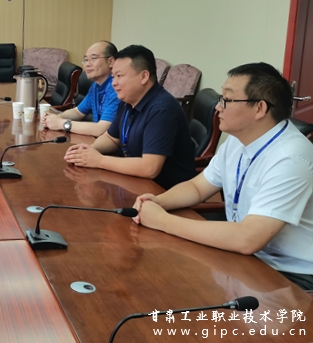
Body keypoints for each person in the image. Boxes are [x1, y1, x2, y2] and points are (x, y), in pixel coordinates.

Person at [133, 62, 313, 290]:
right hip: (246, 256)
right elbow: (198, 188)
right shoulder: (238, 140)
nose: (218, 107)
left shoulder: (291, 157)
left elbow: (248, 238)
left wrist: (162, 221)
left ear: (259, 108)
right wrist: (157, 202)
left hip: (291, 274)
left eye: (227, 100)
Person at [64, 45, 195, 189]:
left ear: (144, 76)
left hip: (162, 192)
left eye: (119, 76)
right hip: (132, 182)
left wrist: (99, 160)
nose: (114, 83)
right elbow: (111, 139)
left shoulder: (162, 110)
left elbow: (149, 168)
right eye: (113, 77)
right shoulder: (128, 101)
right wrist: (89, 151)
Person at [42, 41, 119, 137]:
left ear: (111, 61)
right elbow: (78, 112)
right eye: (86, 60)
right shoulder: (96, 86)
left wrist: (61, 123)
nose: (87, 64)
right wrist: (55, 118)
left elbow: (101, 130)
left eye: (93, 58)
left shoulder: (117, 88)